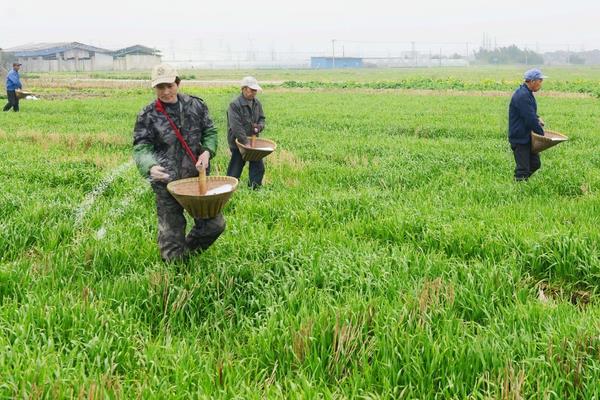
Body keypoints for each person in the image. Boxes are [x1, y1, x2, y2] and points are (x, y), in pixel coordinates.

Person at [133, 63, 225, 262]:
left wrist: (207, 152)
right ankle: (176, 269)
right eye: (160, 87)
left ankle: (189, 253)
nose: (165, 92)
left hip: (196, 180)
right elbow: (141, 146)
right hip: (166, 183)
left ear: (178, 83)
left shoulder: (196, 105)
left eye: (169, 86)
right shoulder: (147, 115)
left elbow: (210, 131)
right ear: (154, 88)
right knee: (171, 236)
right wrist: (150, 166)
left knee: (214, 225)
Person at [226, 76, 266, 189]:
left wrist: (259, 127)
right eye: (252, 90)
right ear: (244, 89)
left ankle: (255, 190)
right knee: (236, 167)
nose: (254, 92)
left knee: (258, 167)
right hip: (238, 143)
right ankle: (229, 189)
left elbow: (262, 118)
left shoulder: (257, 103)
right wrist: (244, 142)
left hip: (253, 143)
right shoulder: (234, 105)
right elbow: (236, 126)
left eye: (255, 90)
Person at [508, 68, 547, 181]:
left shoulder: (526, 93)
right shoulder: (523, 96)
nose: (541, 83)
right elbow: (529, 119)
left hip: (527, 136)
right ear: (532, 81)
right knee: (523, 169)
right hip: (520, 138)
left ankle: (522, 181)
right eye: (540, 80)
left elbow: (529, 112)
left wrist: (537, 117)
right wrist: (542, 135)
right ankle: (519, 185)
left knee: (535, 164)